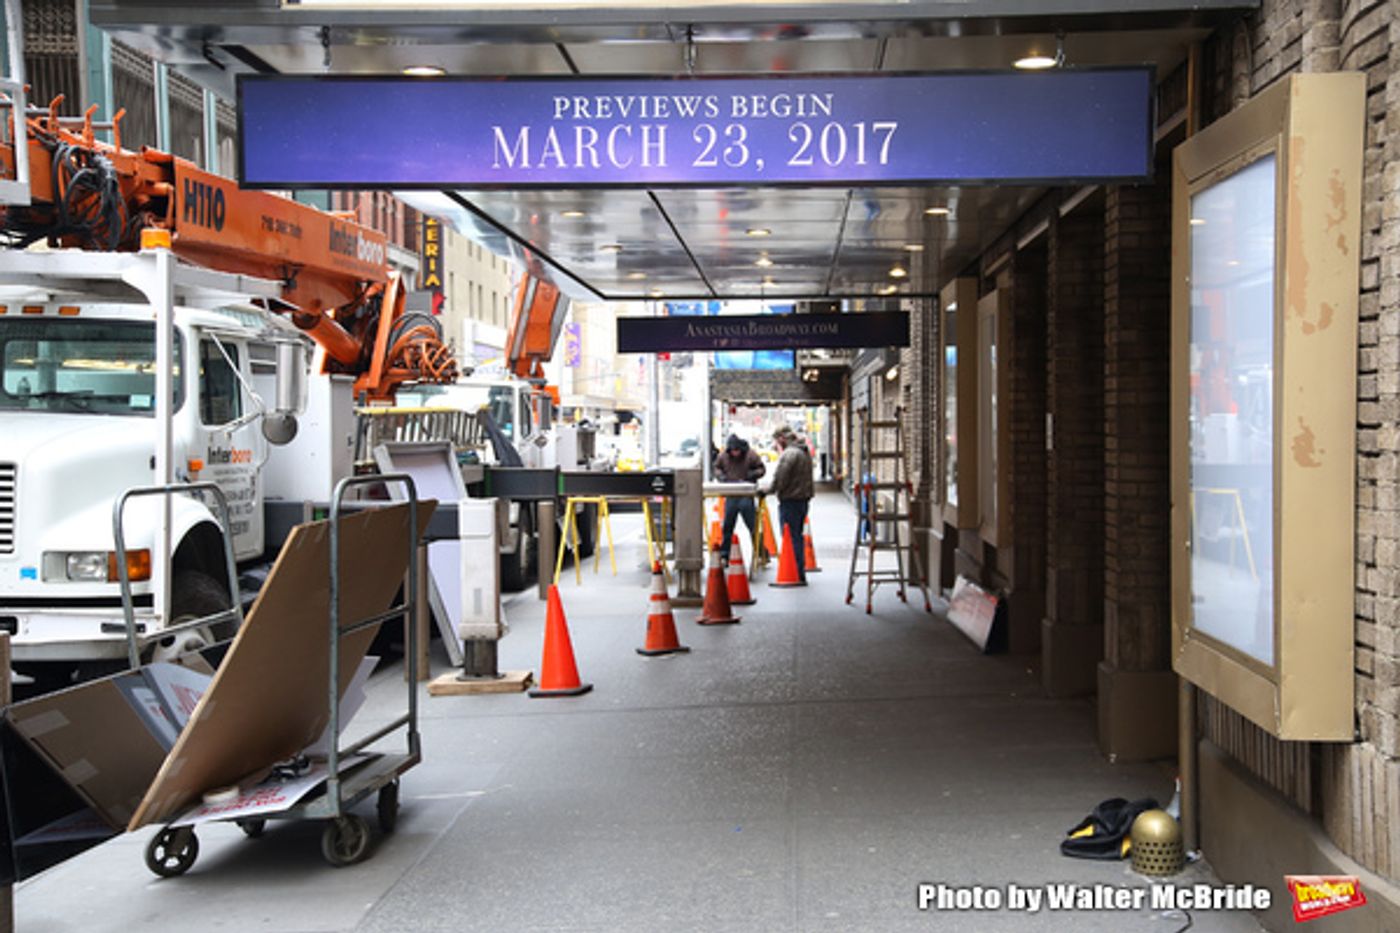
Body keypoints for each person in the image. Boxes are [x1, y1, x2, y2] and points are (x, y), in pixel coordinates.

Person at [766, 426, 814, 583]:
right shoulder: (803, 451)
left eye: (776, 440)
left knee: (790, 537)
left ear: (781, 438)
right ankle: (799, 571)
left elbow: (781, 477)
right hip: (803, 500)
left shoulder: (789, 454)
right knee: (797, 536)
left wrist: (768, 490)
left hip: (790, 500)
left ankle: (794, 572)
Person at [712, 434, 765, 562]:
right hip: (731, 495)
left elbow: (762, 469)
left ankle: (761, 553)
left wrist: (752, 475)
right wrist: (721, 477)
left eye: (738, 450)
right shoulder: (724, 456)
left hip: (746, 495)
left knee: (752, 526)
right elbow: (716, 468)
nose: (735, 453)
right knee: (728, 527)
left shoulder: (751, 455)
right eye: (733, 451)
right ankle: (725, 554)